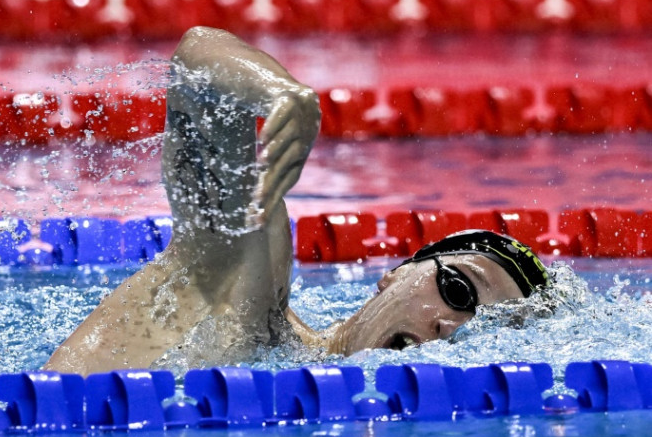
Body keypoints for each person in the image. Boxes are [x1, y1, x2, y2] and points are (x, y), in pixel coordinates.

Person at [44, 27, 549, 376]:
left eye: (485, 329)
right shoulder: (246, 308)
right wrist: (285, 95)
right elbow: (198, 57)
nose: (451, 328)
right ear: (394, 272)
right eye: (459, 291)